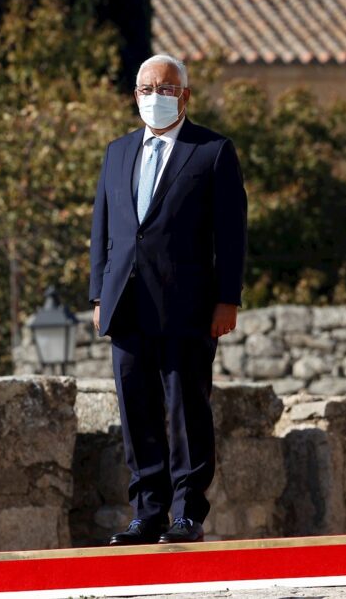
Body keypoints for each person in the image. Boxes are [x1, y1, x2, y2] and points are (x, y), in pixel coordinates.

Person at [88, 54, 247, 545]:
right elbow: (103, 229)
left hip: (188, 305)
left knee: (185, 410)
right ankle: (147, 511)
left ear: (185, 96)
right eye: (145, 89)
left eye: (166, 89)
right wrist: (98, 293)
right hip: (126, 302)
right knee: (136, 410)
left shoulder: (213, 151)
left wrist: (227, 299)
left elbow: (231, 234)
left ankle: (186, 511)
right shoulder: (118, 152)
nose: (154, 97)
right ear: (134, 95)